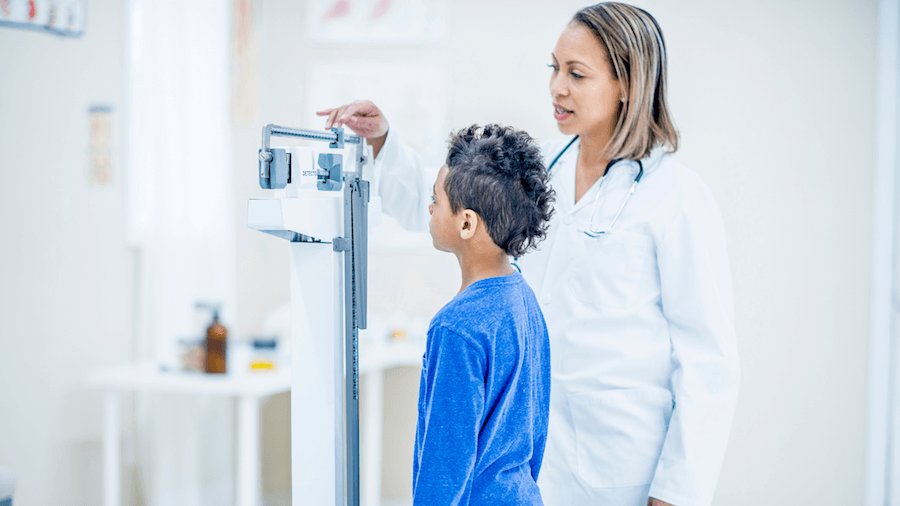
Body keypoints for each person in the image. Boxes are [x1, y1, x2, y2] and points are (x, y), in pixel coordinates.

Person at [318, 4, 740, 506]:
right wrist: (383, 143)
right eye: (554, 68)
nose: (556, 87)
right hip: (528, 455)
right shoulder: (539, 171)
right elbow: (451, 209)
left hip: (622, 465)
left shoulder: (678, 198)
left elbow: (708, 364)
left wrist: (676, 494)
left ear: (627, 84)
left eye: (576, 74)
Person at [412, 124, 554, 505]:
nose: (430, 207)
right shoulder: (524, 300)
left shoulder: (455, 328)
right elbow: (536, 427)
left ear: (466, 222)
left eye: (436, 200)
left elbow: (445, 466)